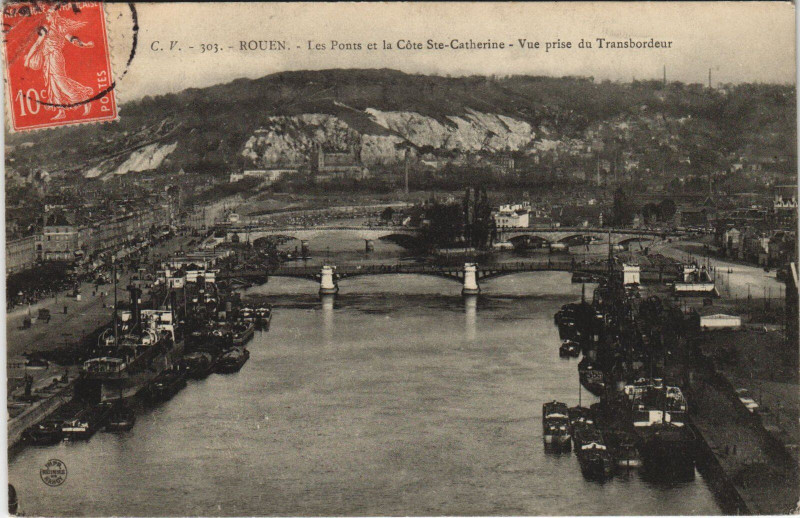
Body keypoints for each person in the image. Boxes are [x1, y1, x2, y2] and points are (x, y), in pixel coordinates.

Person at [23, 6, 95, 120]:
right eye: (47, 15)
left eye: (49, 14)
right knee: (53, 86)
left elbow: (72, 39)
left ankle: (84, 99)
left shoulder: (58, 28)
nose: (47, 16)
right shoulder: (49, 28)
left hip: (55, 57)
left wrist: (85, 45)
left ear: (53, 16)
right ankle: (61, 111)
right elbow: (38, 43)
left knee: (61, 83)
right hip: (48, 59)